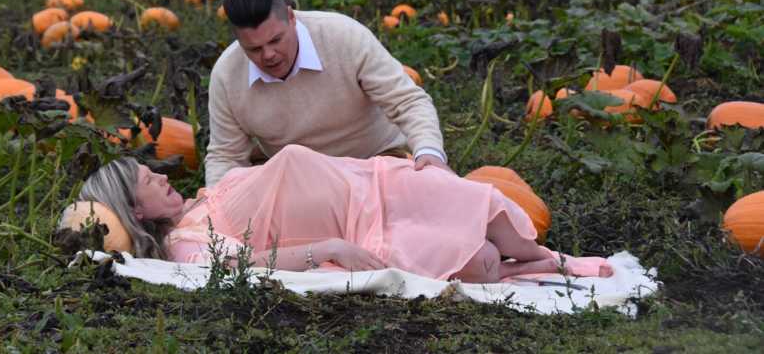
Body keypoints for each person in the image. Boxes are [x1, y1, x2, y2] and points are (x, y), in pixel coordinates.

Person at [76, 145, 612, 282]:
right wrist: (327, 250)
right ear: (137, 212)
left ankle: (551, 257)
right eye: (150, 181)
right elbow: (251, 264)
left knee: (494, 213)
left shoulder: (205, 197)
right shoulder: (187, 244)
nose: (163, 174)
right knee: (483, 263)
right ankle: (544, 267)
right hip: (355, 227)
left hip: (373, 183)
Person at [205, 0, 451, 186]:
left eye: (276, 40)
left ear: (291, 17)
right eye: (254, 49)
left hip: (375, 161)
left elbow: (407, 101)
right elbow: (226, 155)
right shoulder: (227, 75)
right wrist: (217, 205)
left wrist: (429, 151)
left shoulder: (344, 37)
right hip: (296, 179)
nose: (268, 54)